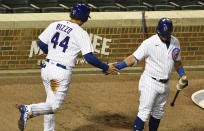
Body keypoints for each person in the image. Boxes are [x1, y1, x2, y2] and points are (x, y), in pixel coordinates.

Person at [18, 3, 118, 131]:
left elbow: (41, 44)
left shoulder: (55, 24)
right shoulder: (81, 33)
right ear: (85, 18)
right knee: (53, 106)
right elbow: (89, 58)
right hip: (59, 74)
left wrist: (54, 54)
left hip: (47, 69)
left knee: (49, 103)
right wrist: (105, 67)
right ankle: (29, 109)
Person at [114, 18, 188, 131]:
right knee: (144, 112)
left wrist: (182, 75)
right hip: (150, 82)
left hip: (165, 84)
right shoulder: (149, 43)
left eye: (167, 34)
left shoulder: (175, 42)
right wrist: (118, 66)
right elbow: (134, 58)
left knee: (158, 113)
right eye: (162, 34)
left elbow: (177, 62)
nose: (164, 36)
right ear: (158, 31)